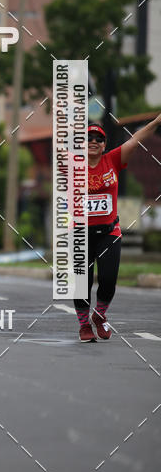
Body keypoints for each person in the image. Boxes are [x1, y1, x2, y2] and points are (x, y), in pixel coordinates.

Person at [74, 115, 161, 342]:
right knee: (82, 283)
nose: (93, 141)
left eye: (99, 139)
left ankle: (99, 315)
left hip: (109, 233)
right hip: (80, 235)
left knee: (108, 279)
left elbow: (136, 139)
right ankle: (84, 326)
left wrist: (156, 122)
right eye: (88, 138)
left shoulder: (112, 160)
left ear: (104, 145)